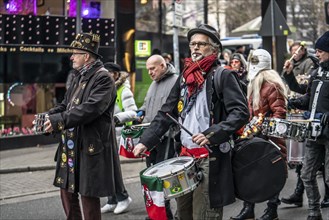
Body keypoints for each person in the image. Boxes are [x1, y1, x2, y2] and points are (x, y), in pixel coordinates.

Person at [133, 24, 249, 220]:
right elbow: (165, 113)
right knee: (183, 215)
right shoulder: (184, 77)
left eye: (201, 44)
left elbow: (241, 112)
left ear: (214, 49)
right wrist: (146, 141)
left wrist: (211, 134)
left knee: (204, 215)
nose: (194, 48)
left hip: (209, 159)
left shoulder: (223, 75)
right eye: (192, 43)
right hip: (184, 159)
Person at [41, 32, 118, 220]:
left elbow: (90, 109)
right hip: (71, 144)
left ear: (86, 56)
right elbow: (65, 104)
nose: (71, 57)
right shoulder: (78, 76)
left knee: (88, 195)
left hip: (89, 145)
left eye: (75, 53)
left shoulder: (103, 78)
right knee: (66, 189)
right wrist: (48, 116)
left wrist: (59, 120)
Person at [231, 49, 288, 220]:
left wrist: (265, 129)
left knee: (272, 173)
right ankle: (248, 208)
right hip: (254, 136)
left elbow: (279, 112)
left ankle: (272, 210)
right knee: (250, 172)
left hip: (270, 138)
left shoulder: (271, 85)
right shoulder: (255, 84)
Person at [281, 42, 329, 209]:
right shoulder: (317, 72)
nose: (317, 54)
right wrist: (291, 101)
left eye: (321, 51)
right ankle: (314, 212)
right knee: (307, 175)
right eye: (316, 50)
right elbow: (307, 97)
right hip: (314, 132)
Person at [136, 54, 178, 219]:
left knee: (162, 176)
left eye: (152, 68)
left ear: (163, 65)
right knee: (152, 174)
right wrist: (141, 111)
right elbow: (147, 103)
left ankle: (164, 213)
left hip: (167, 137)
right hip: (150, 137)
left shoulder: (175, 81)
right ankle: (160, 212)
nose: (150, 73)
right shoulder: (153, 84)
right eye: (148, 70)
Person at [100, 62, 136, 214]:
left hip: (117, 134)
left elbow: (133, 112)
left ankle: (123, 198)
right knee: (105, 168)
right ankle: (112, 200)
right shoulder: (104, 89)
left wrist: (114, 118)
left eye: (108, 72)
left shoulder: (123, 90)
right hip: (105, 133)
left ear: (115, 74)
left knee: (112, 168)